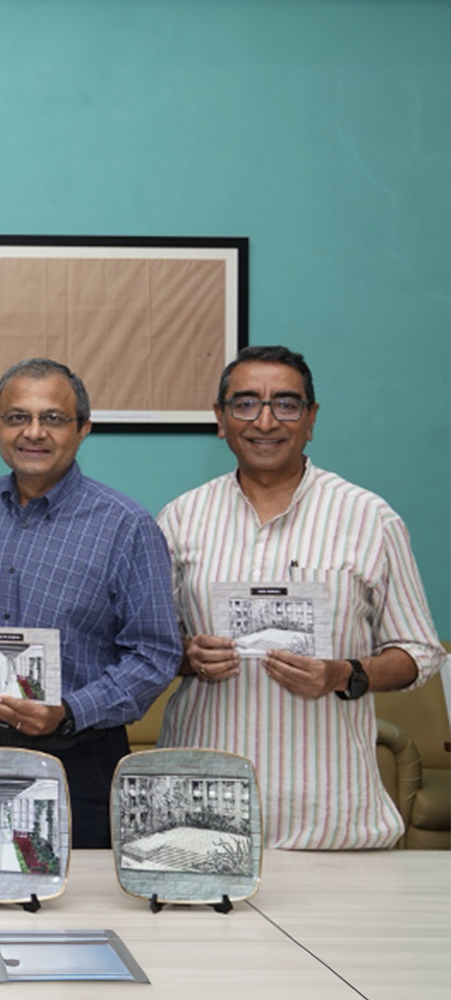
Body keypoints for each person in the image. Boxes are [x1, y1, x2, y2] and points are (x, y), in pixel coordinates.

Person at [157, 345, 443, 850]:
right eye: (245, 403)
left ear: (310, 419)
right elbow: (149, 646)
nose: (265, 421)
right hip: (200, 810)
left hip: (330, 814)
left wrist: (345, 674)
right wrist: (186, 656)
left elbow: (419, 653)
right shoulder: (181, 518)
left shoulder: (369, 518)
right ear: (220, 419)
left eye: (286, 405)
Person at [0, 359, 181, 849]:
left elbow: (156, 653)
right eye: (16, 417)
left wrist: (68, 711)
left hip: (76, 758)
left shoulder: (126, 525)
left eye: (53, 418)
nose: (34, 432)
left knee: (76, 914)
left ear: (83, 428)